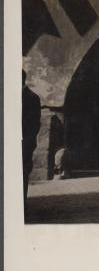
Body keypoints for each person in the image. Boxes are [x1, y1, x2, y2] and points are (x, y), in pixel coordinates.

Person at [22, 70, 41, 204]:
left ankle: (21, 205)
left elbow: (35, 124)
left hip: (24, 144)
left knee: (22, 175)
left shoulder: (32, 98)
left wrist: (27, 144)